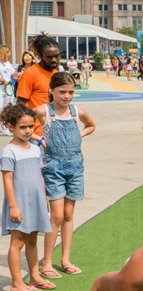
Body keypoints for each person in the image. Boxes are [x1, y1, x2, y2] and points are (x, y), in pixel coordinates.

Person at [33, 73, 95, 278]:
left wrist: (80, 134)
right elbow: (20, 123)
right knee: (56, 215)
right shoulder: (44, 111)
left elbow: (91, 125)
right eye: (62, 92)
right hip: (53, 167)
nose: (67, 96)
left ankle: (65, 259)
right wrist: (37, 138)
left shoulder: (77, 111)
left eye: (70, 92)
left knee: (68, 215)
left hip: (76, 166)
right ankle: (46, 263)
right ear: (51, 90)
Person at [0, 103, 54, 291]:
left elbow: (39, 175)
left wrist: (44, 200)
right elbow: (7, 181)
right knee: (18, 242)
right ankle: (16, 284)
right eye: (22, 127)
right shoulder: (9, 151)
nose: (28, 130)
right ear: (10, 126)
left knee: (32, 241)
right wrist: (13, 206)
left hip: (35, 202)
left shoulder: (34, 148)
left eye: (31, 126)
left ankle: (34, 277)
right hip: (19, 203)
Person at [16, 33, 59, 139]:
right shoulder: (30, 73)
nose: (54, 60)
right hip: (37, 133)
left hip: (55, 129)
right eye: (49, 57)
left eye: (56, 56)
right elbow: (21, 104)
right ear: (40, 55)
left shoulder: (56, 73)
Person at [0, 45, 15, 136]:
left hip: (9, 88)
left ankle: (5, 128)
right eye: (8, 51)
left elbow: (13, 73)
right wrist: (2, 81)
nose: (10, 53)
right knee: (0, 108)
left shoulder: (7, 63)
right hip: (1, 88)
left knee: (7, 108)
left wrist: (21, 75)